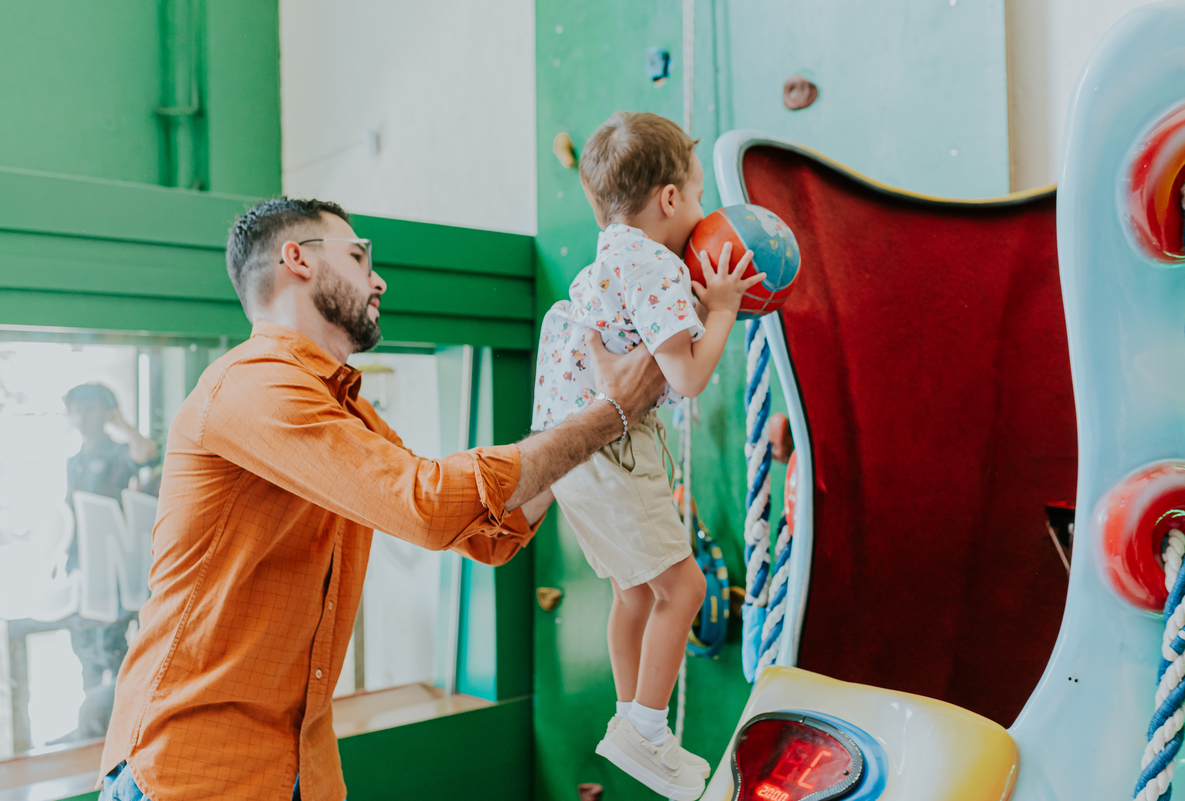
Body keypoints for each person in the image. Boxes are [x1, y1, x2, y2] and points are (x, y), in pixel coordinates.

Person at [96, 197, 666, 801]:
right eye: (358, 256)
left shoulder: (343, 408)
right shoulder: (251, 386)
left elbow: (485, 532)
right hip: (192, 772)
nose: (378, 279)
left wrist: (583, 415)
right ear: (298, 259)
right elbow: (425, 504)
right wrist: (607, 416)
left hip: (299, 770)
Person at [532, 111, 763, 801]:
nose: (698, 215)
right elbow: (687, 378)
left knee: (634, 590)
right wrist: (721, 307)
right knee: (685, 589)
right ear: (668, 199)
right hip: (614, 450)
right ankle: (647, 728)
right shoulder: (655, 262)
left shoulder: (609, 259)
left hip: (572, 455)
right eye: (695, 198)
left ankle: (630, 722)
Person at [52, 383, 158, 744]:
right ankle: (92, 728)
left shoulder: (117, 452)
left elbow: (146, 454)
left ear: (105, 412)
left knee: (113, 650)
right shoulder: (73, 460)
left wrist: (123, 424)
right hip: (81, 571)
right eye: (77, 409)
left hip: (114, 572)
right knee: (84, 650)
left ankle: (121, 730)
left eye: (91, 408)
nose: (82, 417)